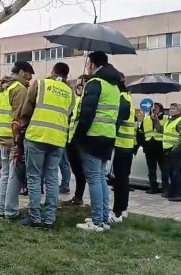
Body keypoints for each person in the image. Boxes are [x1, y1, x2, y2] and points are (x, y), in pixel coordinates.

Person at [73, 51, 126, 232]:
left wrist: (78, 136)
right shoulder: (114, 86)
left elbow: (87, 113)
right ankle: (102, 217)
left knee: (94, 177)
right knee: (101, 177)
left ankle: (97, 221)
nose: (87, 66)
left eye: (89, 63)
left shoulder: (95, 83)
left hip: (93, 136)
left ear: (94, 64)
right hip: (108, 136)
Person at [18, 62, 74, 229]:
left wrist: (22, 127)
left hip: (37, 136)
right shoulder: (70, 93)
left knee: (34, 178)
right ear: (66, 75)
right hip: (57, 139)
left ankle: (35, 217)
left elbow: (27, 109)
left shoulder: (40, 84)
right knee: (51, 179)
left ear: (52, 71)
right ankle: (49, 219)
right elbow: (68, 113)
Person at [0, 60, 34, 220]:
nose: (30, 79)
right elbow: (20, 117)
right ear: (23, 72)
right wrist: (19, 139)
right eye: (30, 75)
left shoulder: (1, 88)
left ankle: (1, 208)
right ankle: (11, 210)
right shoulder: (19, 89)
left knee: (5, 173)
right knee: (14, 175)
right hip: (13, 137)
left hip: (1, 135)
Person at [108, 74, 136, 223]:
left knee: (119, 180)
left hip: (121, 145)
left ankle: (117, 212)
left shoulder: (122, 98)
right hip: (127, 145)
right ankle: (122, 210)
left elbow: (119, 120)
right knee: (123, 179)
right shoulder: (127, 97)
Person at [62, 75, 90, 206]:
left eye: (82, 84)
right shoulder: (75, 98)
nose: (78, 86)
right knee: (75, 169)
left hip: (80, 140)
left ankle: (79, 197)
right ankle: (77, 197)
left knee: (80, 170)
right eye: (77, 84)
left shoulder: (87, 99)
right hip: (70, 138)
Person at [153, 103, 181, 202]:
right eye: (170, 108)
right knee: (170, 172)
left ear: (179, 111)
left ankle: (178, 195)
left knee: (176, 172)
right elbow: (160, 130)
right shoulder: (170, 121)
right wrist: (155, 120)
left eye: (173, 109)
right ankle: (172, 192)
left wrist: (174, 149)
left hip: (175, 150)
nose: (171, 110)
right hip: (168, 150)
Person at [140, 102, 169, 194]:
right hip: (149, 146)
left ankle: (166, 189)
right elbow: (141, 133)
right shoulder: (146, 119)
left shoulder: (166, 118)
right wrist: (144, 144)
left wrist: (156, 120)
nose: (153, 109)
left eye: (155, 107)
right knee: (151, 169)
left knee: (164, 169)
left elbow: (165, 131)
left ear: (160, 109)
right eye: (152, 107)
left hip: (160, 146)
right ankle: (153, 187)